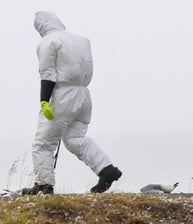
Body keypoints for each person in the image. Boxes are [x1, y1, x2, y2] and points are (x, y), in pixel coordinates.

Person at [23, 11, 122, 195]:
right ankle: (107, 169)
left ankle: (43, 185)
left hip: (63, 95)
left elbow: (48, 74)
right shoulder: (81, 40)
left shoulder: (48, 41)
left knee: (43, 143)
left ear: (40, 27)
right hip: (83, 95)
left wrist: (44, 101)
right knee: (75, 139)